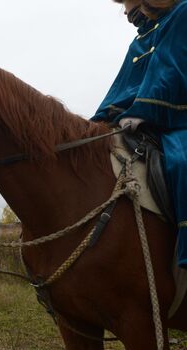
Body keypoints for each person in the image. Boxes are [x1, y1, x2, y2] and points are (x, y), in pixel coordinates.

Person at [92, 0, 187, 267]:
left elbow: (173, 68)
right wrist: (99, 122)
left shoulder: (182, 14)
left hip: (179, 119)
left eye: (126, 1)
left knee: (182, 161)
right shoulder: (139, 42)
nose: (124, 10)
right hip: (147, 122)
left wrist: (144, 109)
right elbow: (122, 88)